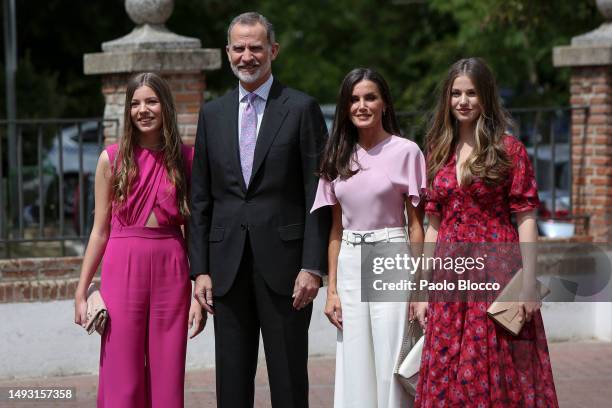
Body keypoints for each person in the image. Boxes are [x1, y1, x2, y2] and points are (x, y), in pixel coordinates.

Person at [189, 12, 330, 408]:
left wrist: (312, 266)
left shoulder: (301, 109)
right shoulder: (212, 114)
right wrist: (199, 269)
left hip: (287, 270)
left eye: (255, 47)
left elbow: (316, 193)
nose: (247, 56)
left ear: (273, 50)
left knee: (288, 379)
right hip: (226, 268)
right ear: (227, 52)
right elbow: (200, 198)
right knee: (231, 383)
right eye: (239, 48)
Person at [411, 58, 558, 407]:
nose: (463, 101)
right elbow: (433, 223)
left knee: (496, 366)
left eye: (472, 93)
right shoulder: (438, 151)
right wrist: (420, 289)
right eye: (456, 93)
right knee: (449, 368)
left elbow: (525, 220)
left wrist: (528, 284)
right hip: (449, 277)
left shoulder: (510, 151)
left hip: (497, 272)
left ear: (486, 97)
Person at [73, 72, 205, 408]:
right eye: (135, 103)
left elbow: (194, 231)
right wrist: (81, 290)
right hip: (122, 268)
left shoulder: (187, 160)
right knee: (122, 373)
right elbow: (99, 230)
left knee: (167, 374)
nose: (142, 109)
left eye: (151, 101)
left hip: (171, 269)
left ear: (165, 107)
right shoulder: (112, 159)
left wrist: (197, 294)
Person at [311, 68, 426, 407]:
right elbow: (335, 229)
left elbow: (416, 225)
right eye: (354, 99)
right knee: (354, 358)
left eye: (370, 97)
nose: (362, 105)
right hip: (348, 259)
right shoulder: (336, 156)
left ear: (384, 104)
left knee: (392, 359)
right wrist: (331, 291)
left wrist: (420, 285)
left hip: (391, 252)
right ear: (346, 107)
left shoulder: (407, 151)